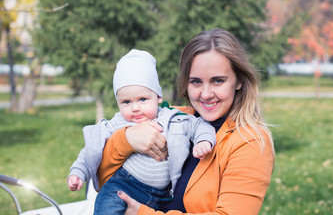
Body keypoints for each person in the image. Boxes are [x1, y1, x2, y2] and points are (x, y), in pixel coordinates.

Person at [98, 28, 275, 215]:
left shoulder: (248, 142)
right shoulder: (172, 118)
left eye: (217, 81)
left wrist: (142, 213)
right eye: (196, 82)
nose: (206, 94)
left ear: (238, 81)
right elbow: (103, 181)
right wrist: (126, 140)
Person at [67, 49, 216, 215]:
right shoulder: (120, 122)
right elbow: (92, 148)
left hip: (161, 196)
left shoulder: (174, 119)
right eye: (126, 102)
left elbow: (199, 125)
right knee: (108, 208)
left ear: (158, 96)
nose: (135, 107)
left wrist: (204, 141)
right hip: (124, 185)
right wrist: (78, 172)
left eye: (143, 99)